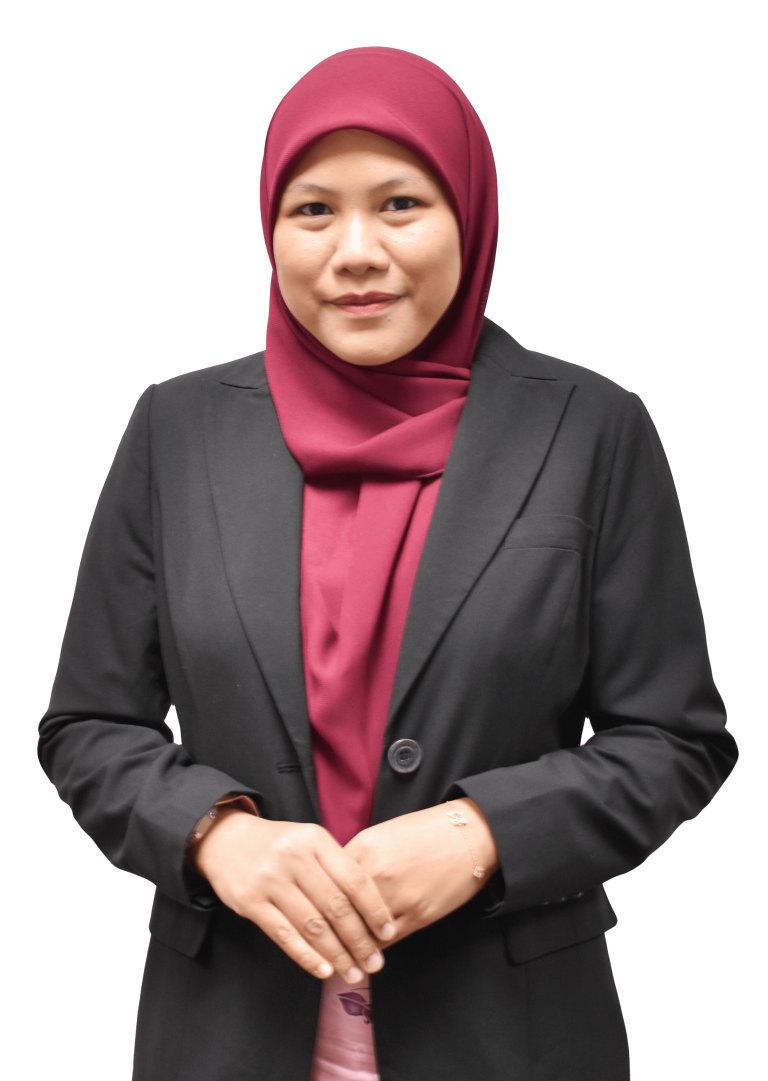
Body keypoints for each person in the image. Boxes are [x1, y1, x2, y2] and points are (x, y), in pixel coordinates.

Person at [38, 47, 737, 1081]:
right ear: (269, 225)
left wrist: (485, 834)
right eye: (314, 210)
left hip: (512, 1037)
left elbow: (676, 738)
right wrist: (216, 837)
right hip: (227, 1033)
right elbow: (88, 725)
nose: (355, 252)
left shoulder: (595, 428)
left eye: (401, 203)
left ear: (472, 213)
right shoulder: (175, 428)